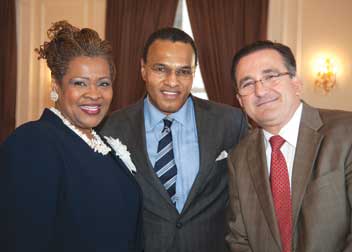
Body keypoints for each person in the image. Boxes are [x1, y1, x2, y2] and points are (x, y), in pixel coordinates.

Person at [100, 27, 247, 252]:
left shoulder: (230, 122)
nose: (172, 81)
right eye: (161, 69)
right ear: (143, 69)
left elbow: (249, 199)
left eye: (183, 71)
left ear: (194, 72)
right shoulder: (110, 129)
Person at [0, 20, 142, 252]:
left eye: (103, 83)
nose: (94, 94)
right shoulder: (33, 142)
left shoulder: (107, 146)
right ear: (56, 86)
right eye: (80, 83)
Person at [226, 40, 352, 252]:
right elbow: (239, 240)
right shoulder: (239, 159)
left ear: (296, 83)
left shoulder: (345, 133)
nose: (260, 90)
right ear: (240, 100)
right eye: (247, 84)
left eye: (271, 76)